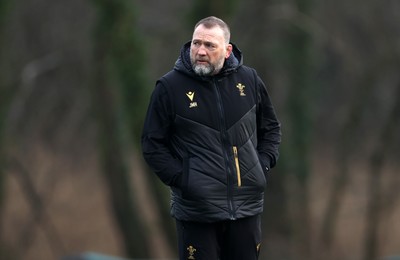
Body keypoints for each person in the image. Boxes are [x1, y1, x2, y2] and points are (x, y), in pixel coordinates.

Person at [141, 16, 281, 260]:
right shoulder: (169, 87)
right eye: (196, 44)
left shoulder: (249, 80)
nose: (201, 51)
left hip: (246, 208)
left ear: (227, 50)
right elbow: (152, 145)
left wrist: (262, 165)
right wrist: (184, 179)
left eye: (209, 45)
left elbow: (271, 129)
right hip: (197, 212)